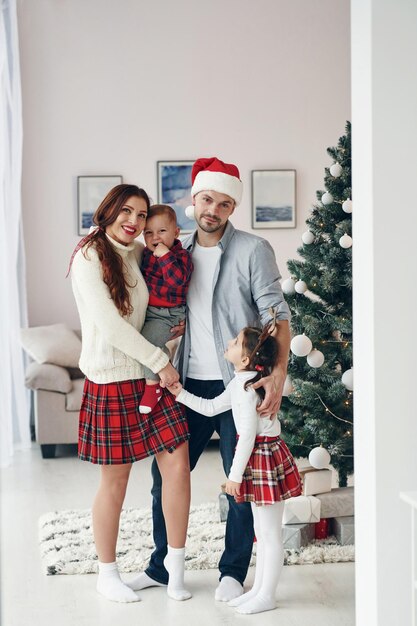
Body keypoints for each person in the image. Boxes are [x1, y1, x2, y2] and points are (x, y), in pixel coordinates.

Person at [127, 157, 291, 602]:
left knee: (241, 479)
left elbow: (277, 315)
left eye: (223, 203)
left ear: (232, 207)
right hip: (184, 384)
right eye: (206, 199)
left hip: (239, 385)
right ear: (192, 200)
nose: (212, 210)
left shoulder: (253, 250)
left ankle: (232, 572)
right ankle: (162, 567)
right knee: (166, 478)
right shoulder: (174, 252)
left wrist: (276, 376)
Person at [68, 184, 191, 603]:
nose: (135, 222)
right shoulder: (88, 256)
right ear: (108, 211)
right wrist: (161, 361)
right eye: (127, 211)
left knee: (177, 465)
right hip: (112, 381)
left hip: (147, 376)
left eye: (141, 215)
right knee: (115, 483)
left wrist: (173, 330)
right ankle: (107, 572)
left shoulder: (136, 253)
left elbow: (161, 299)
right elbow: (112, 326)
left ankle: (174, 568)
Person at [167, 321, 302, 614]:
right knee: (262, 531)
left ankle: (267, 595)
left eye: (236, 341)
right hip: (258, 455)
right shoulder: (240, 381)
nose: (229, 341)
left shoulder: (247, 387)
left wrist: (234, 477)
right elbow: (213, 407)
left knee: (269, 534)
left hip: (261, 455)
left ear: (245, 359)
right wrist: (180, 394)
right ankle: (258, 590)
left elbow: (247, 436)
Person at [138, 204, 193, 414]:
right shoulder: (144, 254)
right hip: (150, 312)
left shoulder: (182, 257)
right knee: (138, 342)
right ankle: (162, 363)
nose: (155, 238)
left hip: (169, 314)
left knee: (147, 343)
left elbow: (176, 282)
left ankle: (154, 387)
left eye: (162, 231)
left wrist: (165, 256)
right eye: (149, 233)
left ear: (176, 232)